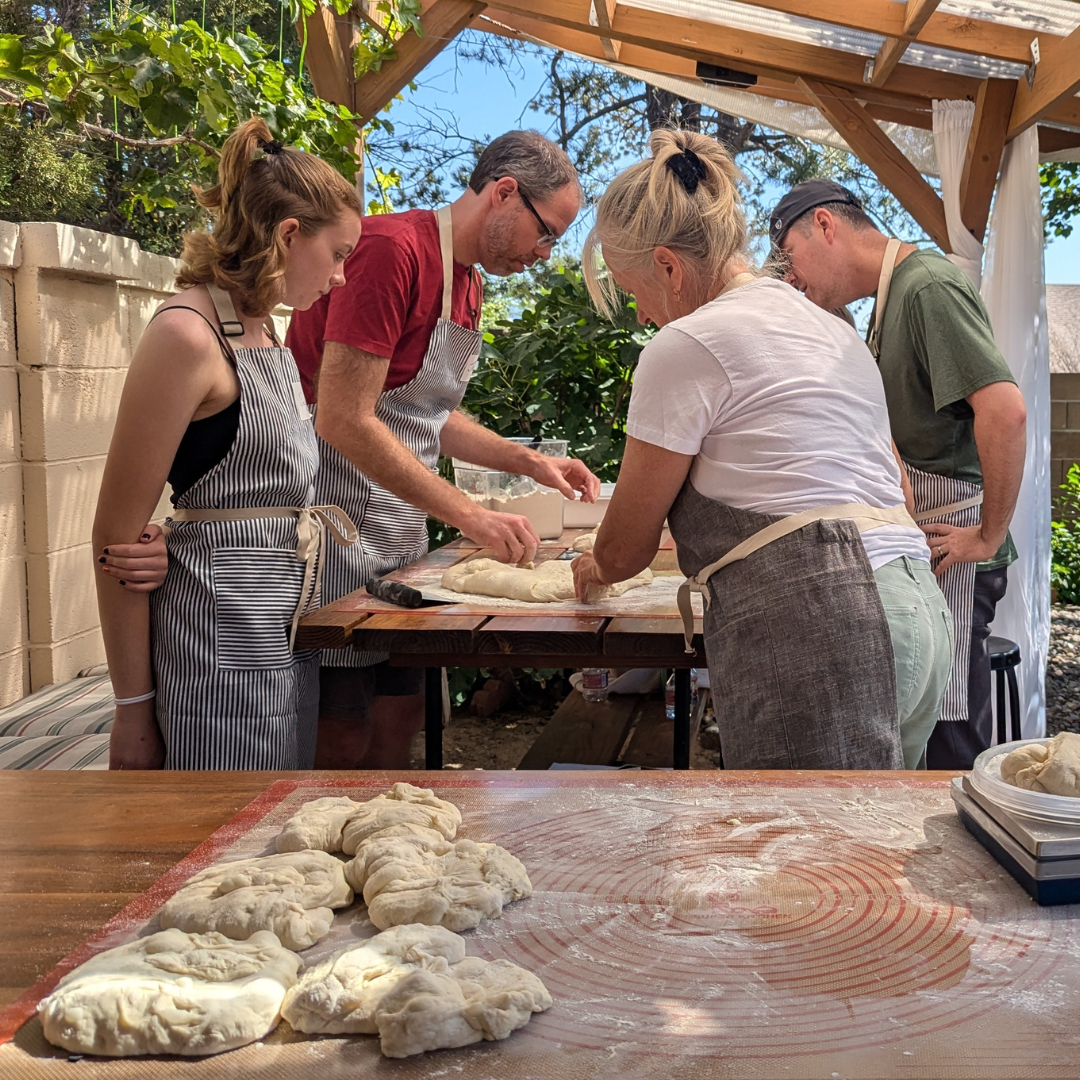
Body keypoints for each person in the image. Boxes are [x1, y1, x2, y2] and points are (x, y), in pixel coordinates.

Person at [571, 130, 953, 771]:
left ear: (668, 265)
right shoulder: (832, 329)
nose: (638, 314)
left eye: (631, 287)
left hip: (830, 630)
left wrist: (596, 566)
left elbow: (625, 547)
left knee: (806, 861)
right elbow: (898, 492)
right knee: (869, 860)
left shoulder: (686, 344)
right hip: (917, 613)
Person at [286, 130, 600, 770]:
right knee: (341, 727)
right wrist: (470, 514)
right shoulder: (389, 252)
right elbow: (344, 419)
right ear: (504, 193)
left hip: (396, 528)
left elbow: (426, 411)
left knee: (402, 713)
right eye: (546, 234)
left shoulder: (469, 285)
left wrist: (527, 460)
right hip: (331, 526)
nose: (544, 255)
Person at [94, 118, 362, 770]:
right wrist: (134, 710)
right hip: (212, 647)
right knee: (218, 842)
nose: (341, 279)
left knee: (272, 831)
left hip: (277, 633)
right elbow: (116, 537)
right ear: (289, 235)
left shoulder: (263, 332)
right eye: (339, 255)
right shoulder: (187, 336)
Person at [770, 180, 1027, 769]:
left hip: (953, 544)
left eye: (790, 256)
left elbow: (1005, 411)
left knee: (949, 737)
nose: (791, 274)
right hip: (921, 538)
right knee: (924, 722)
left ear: (825, 227)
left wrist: (987, 535)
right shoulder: (889, 299)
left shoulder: (927, 286)